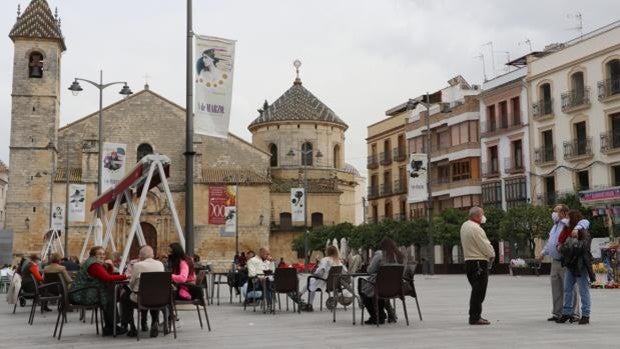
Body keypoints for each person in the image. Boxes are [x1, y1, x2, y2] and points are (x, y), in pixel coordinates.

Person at [538, 204, 586, 322]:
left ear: (564, 213)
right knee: (556, 288)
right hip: (554, 261)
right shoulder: (554, 226)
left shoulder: (567, 224)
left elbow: (584, 222)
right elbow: (550, 242)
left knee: (569, 288)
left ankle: (574, 313)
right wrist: (543, 252)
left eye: (556, 211)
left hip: (565, 261)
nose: (554, 213)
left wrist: (571, 224)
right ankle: (557, 312)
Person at [70, 246, 128, 336]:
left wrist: (109, 265)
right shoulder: (94, 265)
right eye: (99, 254)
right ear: (94, 255)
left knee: (108, 295)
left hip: (82, 292)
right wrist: (126, 276)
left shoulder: (92, 262)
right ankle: (112, 327)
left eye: (103, 254)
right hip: (82, 295)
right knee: (109, 297)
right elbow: (107, 278)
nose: (102, 256)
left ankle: (110, 327)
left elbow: (106, 274)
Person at [556, 210, 593, 325]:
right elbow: (561, 243)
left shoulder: (582, 230)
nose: (566, 219)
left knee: (583, 290)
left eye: (568, 217)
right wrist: (560, 247)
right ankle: (566, 313)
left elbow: (585, 222)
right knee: (567, 289)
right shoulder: (567, 230)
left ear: (573, 218)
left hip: (580, 264)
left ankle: (586, 315)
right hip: (570, 264)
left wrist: (577, 229)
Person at [460, 206, 495, 325]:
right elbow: (485, 245)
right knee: (479, 291)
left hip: (468, 261)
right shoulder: (476, 229)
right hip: (479, 261)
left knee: (475, 289)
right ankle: (475, 317)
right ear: (477, 216)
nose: (483, 217)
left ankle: (475, 315)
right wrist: (492, 254)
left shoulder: (464, 226)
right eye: (482, 214)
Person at [121, 245, 165, 338]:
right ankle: (154, 323)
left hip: (141, 298)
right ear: (152, 255)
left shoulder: (138, 265)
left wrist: (133, 290)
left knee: (124, 298)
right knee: (153, 297)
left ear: (141, 256)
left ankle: (132, 327)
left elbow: (132, 284)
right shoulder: (160, 264)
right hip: (158, 298)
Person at [361, 237, 404, 324]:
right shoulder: (398, 256)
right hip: (396, 288)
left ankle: (376, 316)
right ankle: (382, 314)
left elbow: (369, 270)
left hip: (380, 287)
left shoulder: (379, 255)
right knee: (377, 288)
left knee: (362, 287)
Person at [293, 245, 346, 312]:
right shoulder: (339, 262)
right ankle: (300, 295)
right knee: (312, 280)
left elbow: (320, 271)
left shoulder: (325, 260)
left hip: (325, 283)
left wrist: (316, 271)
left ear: (328, 252)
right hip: (334, 284)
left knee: (311, 280)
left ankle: (308, 303)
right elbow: (345, 271)